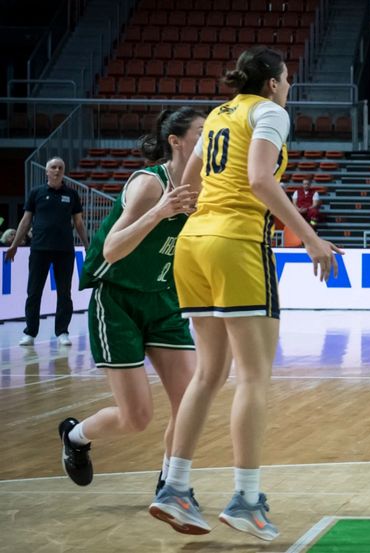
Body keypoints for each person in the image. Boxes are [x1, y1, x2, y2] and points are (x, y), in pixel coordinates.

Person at [149, 46, 343, 541]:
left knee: (209, 374)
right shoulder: (270, 112)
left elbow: (186, 182)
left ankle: (174, 487)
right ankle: (247, 500)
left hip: (194, 243)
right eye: (287, 79)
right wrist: (312, 237)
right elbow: (259, 178)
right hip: (236, 241)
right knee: (254, 376)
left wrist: (204, 219)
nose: (289, 87)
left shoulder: (216, 115)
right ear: (274, 82)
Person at [57, 108, 203, 499]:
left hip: (164, 298)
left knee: (191, 401)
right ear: (176, 141)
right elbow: (112, 248)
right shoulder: (149, 184)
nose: (209, 140)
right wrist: (160, 212)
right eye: (202, 132)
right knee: (136, 418)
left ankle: (171, 485)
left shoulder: (208, 188)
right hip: (117, 297)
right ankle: (75, 437)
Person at [4, 156, 89, 347]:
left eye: (60, 167)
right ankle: (30, 333)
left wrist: (87, 245)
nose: (57, 170)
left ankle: (62, 332)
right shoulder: (36, 193)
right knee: (34, 292)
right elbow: (25, 221)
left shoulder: (72, 195)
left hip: (64, 251)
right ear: (47, 171)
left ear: (63, 171)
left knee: (64, 293)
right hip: (39, 250)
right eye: (53, 167)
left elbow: (79, 223)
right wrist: (15, 245)